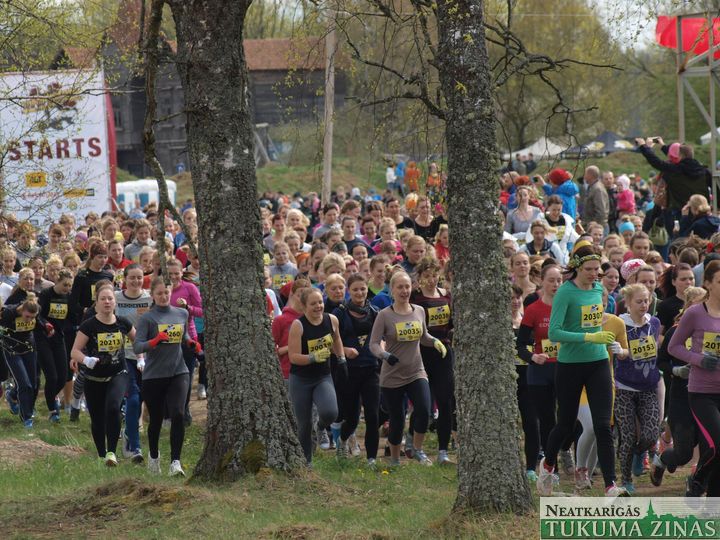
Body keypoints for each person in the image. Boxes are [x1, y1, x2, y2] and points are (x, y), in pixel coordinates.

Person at [538, 241, 627, 497]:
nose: (593, 274)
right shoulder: (565, 292)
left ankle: (610, 486)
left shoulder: (598, 288)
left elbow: (594, 320)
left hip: (598, 363)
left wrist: (601, 338)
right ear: (577, 267)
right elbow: (554, 333)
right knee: (565, 424)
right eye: (588, 269)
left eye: (596, 269)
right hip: (570, 365)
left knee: (603, 425)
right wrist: (588, 337)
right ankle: (547, 465)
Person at [369, 271, 447, 466]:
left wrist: (435, 341)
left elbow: (424, 336)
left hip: (416, 371)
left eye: (407, 287)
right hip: (392, 375)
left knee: (424, 410)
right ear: (392, 290)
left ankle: (417, 449)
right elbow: (374, 344)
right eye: (400, 287)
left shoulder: (419, 310)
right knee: (397, 420)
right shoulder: (384, 315)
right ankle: (395, 459)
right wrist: (385, 355)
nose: (404, 291)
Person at [134, 277, 200, 477]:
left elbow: (183, 335)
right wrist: (154, 341)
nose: (163, 296)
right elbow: (137, 346)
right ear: (152, 295)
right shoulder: (147, 318)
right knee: (155, 419)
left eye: (166, 293)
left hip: (178, 371)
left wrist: (190, 343)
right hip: (154, 375)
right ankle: (154, 457)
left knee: (178, 413)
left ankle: (175, 462)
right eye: (159, 293)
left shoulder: (181, 313)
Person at [70, 281, 134, 466]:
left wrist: (142, 357)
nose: (107, 302)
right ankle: (101, 454)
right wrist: (86, 360)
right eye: (103, 299)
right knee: (97, 418)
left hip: (118, 373)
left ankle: (111, 453)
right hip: (94, 377)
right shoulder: (89, 325)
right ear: (96, 303)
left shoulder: (123, 323)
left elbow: (138, 342)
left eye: (110, 299)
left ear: (115, 302)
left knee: (113, 408)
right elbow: (74, 351)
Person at [652, 286, 707, 487]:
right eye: (699, 305)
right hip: (681, 399)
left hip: (707, 397)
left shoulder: (713, 331)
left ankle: (698, 484)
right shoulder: (676, 331)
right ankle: (661, 460)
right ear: (689, 306)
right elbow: (661, 361)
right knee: (683, 454)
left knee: (710, 446)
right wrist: (676, 371)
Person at [287, 288, 345, 465]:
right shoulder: (298, 325)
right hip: (301, 380)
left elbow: (336, 339)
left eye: (320, 302)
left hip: (322, 376)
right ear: (304, 306)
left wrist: (341, 358)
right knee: (303, 425)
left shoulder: (331, 320)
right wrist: (312, 357)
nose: (318, 306)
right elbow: (293, 357)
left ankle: (320, 427)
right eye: (313, 304)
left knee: (331, 412)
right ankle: (307, 463)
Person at [614, 284, 661, 494]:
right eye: (639, 301)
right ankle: (625, 480)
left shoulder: (654, 322)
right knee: (628, 436)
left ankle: (638, 453)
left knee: (651, 434)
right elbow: (615, 349)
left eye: (647, 301)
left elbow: (654, 348)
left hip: (648, 386)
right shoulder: (620, 324)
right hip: (624, 387)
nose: (644, 305)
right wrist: (621, 352)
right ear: (628, 303)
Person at [410, 257, 455, 465]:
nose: (431, 279)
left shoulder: (446, 296)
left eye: (434, 275)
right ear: (419, 278)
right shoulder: (414, 297)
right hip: (421, 353)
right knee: (423, 403)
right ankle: (414, 443)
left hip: (443, 353)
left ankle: (443, 451)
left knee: (445, 402)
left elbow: (452, 323)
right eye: (426, 276)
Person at [333, 274, 381, 465]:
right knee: (352, 418)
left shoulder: (375, 312)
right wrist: (344, 350)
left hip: (371, 369)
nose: (360, 293)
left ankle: (371, 459)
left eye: (363, 289)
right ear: (348, 291)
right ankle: (343, 440)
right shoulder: (339, 314)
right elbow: (329, 341)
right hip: (349, 371)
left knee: (372, 415)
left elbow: (382, 337)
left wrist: (382, 349)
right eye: (355, 290)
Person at [2, 271, 49, 428]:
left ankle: (12, 395)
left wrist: (46, 326)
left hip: (29, 347)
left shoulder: (34, 308)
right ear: (21, 310)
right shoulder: (9, 311)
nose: (29, 320)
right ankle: (26, 418)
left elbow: (39, 321)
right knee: (25, 384)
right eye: (27, 317)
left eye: (32, 318)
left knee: (34, 383)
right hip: (12, 350)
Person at [115, 264, 152, 463]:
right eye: (132, 278)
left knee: (143, 397)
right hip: (124, 356)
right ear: (125, 279)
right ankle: (134, 446)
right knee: (134, 398)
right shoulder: (116, 298)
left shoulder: (149, 298)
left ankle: (129, 431)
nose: (136, 281)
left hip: (147, 356)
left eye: (139, 277)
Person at [36, 269, 73, 423]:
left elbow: (71, 316)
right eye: (65, 285)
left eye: (70, 285)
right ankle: (53, 410)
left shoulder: (68, 296)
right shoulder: (46, 294)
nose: (67, 288)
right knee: (52, 376)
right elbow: (37, 314)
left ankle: (51, 398)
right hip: (43, 338)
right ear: (57, 281)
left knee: (63, 376)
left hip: (59, 338)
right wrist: (46, 324)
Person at [636, 137, 710, 214]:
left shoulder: (674, 170)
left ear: (680, 156)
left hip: (682, 211)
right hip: (702, 210)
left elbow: (657, 162)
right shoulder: (704, 170)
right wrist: (663, 146)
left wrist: (644, 147)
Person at [581, 166, 609, 234]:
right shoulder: (592, 187)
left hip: (598, 229)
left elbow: (601, 211)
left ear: (590, 175)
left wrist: (595, 225)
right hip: (592, 227)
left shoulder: (597, 189)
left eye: (585, 174)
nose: (584, 177)